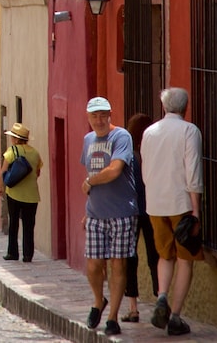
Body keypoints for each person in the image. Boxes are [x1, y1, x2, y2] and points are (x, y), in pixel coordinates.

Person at [140, 88, 203, 337]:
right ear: (185, 107)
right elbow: (193, 172)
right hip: (181, 204)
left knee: (165, 255)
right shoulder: (189, 131)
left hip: (155, 203)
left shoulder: (149, 132)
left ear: (164, 107)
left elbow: (146, 169)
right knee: (185, 260)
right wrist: (196, 210)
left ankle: (162, 296)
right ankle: (175, 316)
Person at [80, 96, 138, 337]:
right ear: (89, 117)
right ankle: (97, 301)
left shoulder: (121, 136)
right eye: (95, 115)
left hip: (122, 212)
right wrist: (86, 209)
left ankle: (113, 317)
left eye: (103, 114)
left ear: (110, 114)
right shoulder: (88, 140)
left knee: (118, 263)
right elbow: (90, 173)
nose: (99, 120)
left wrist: (90, 181)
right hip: (96, 213)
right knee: (93, 265)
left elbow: (114, 170)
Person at [122, 113, 160, 323]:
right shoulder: (153, 154)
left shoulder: (128, 156)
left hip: (132, 212)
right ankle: (160, 300)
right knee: (156, 256)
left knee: (130, 258)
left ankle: (133, 307)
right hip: (153, 210)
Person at [0, 123, 42, 263]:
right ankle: (28, 255)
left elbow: (3, 171)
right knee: (29, 225)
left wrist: (1, 188)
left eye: (12, 137)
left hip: (14, 193)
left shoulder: (12, 151)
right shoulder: (35, 153)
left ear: (17, 139)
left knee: (14, 223)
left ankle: (12, 252)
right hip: (32, 195)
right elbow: (37, 172)